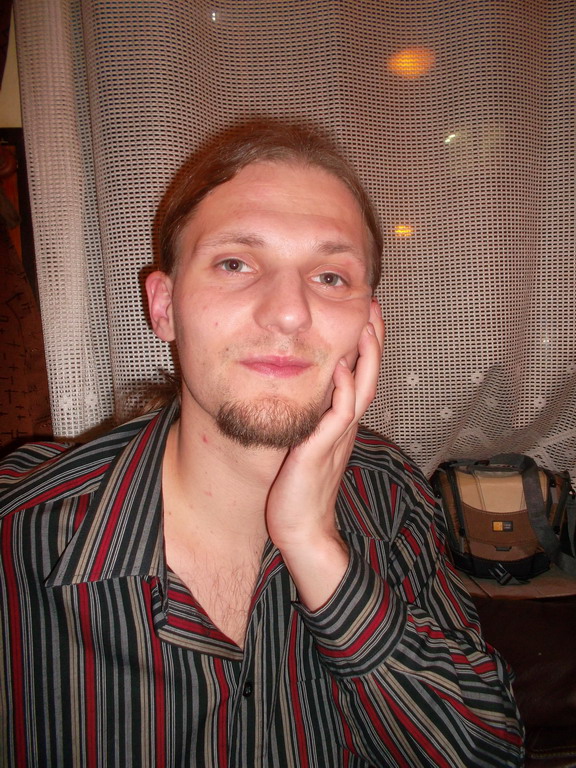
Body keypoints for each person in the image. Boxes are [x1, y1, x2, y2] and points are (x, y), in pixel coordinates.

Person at [0, 120, 524, 767]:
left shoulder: (394, 497)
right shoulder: (19, 532)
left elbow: (486, 751)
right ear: (163, 306)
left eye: (330, 277)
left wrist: (314, 546)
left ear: (369, 321)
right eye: (235, 263)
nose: (288, 311)